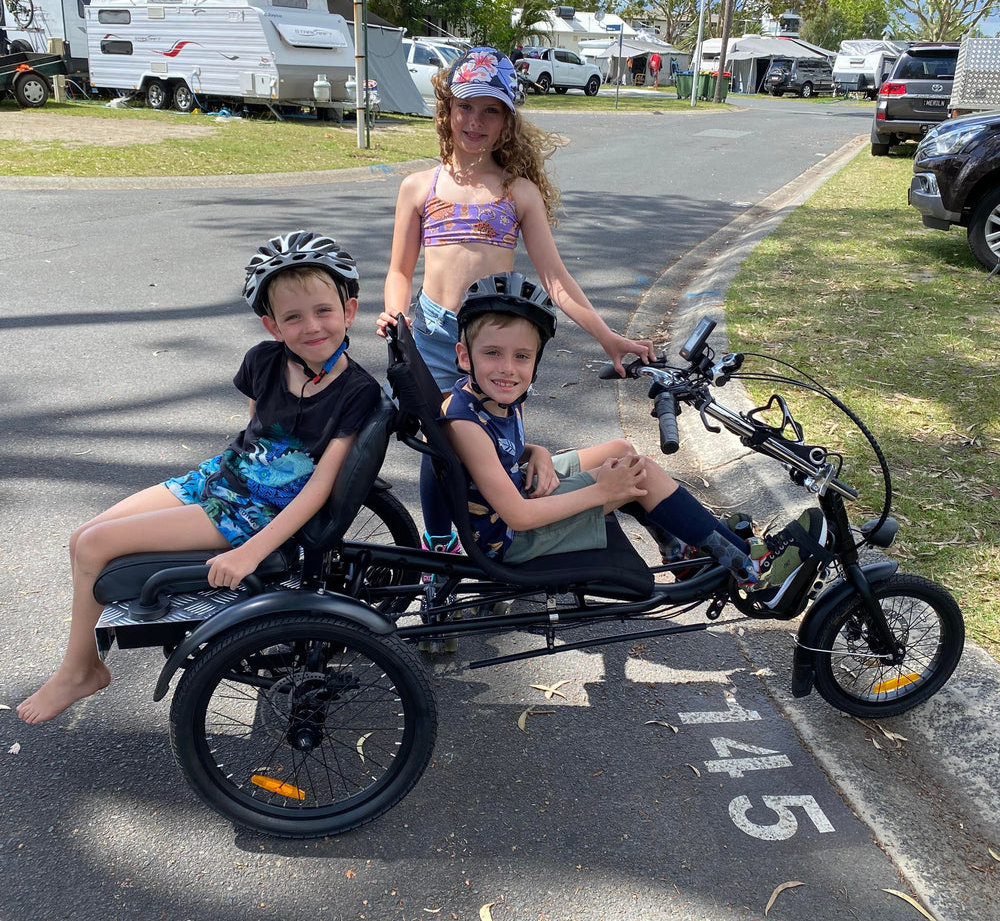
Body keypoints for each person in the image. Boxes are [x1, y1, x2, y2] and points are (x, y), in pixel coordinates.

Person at [17, 231, 381, 725]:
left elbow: (318, 489)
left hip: (254, 512)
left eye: (323, 311)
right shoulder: (263, 361)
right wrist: (209, 484)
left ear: (350, 309)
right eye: (293, 317)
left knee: (97, 546)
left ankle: (79, 670)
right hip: (218, 480)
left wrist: (250, 551)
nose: (311, 326)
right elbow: (252, 435)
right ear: (272, 325)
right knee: (81, 538)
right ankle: (86, 662)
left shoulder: (356, 391)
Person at [377, 44, 654, 558]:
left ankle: (492, 543)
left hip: (493, 341)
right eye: (466, 106)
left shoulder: (516, 192)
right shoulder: (419, 187)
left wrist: (609, 337)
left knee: (488, 447)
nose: (475, 121)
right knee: (443, 449)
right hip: (434, 339)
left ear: (507, 120)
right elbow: (399, 270)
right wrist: (396, 314)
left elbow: (556, 280)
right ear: (446, 110)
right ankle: (440, 554)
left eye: (491, 110)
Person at [441, 272, 823, 597]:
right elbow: (519, 515)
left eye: (521, 356)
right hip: (510, 538)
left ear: (535, 359)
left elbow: (498, 450)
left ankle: (681, 553)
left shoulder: (488, 395)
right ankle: (754, 568)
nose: (508, 368)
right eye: (493, 353)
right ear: (464, 355)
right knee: (639, 472)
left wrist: (535, 452)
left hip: (509, 493)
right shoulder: (465, 420)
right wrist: (603, 492)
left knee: (621, 449)